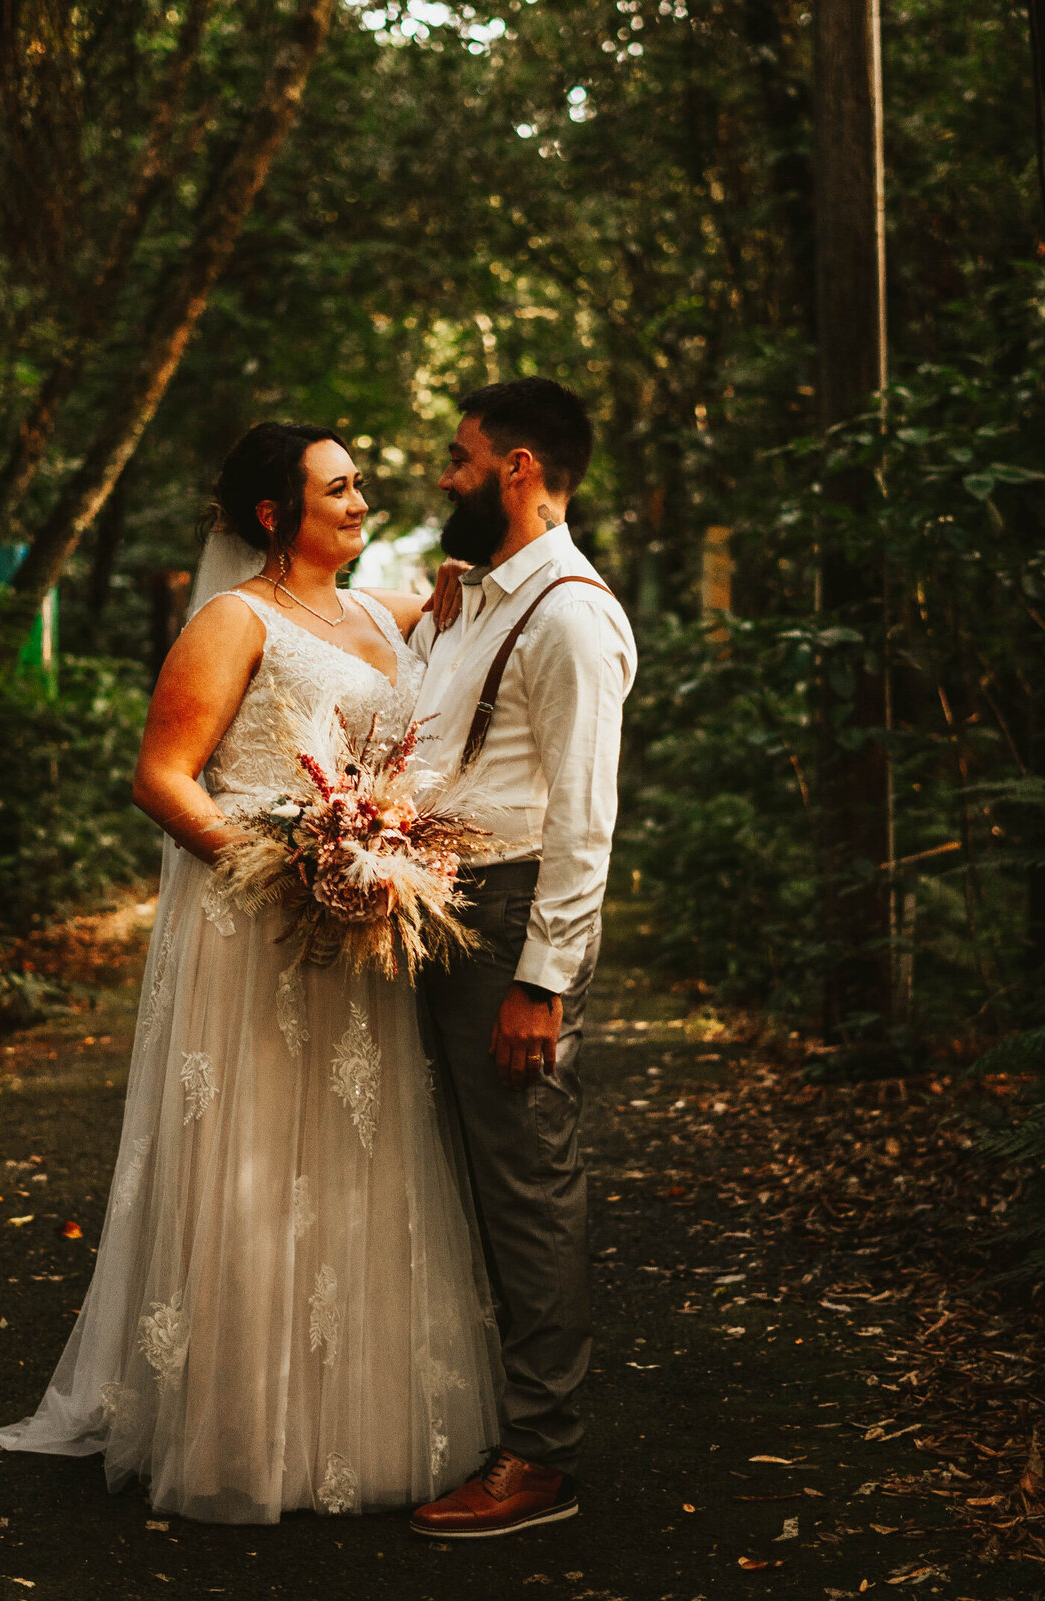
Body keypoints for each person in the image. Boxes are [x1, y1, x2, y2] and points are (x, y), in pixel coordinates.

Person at [0, 423, 503, 1524]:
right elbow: (163, 776)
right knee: (263, 1153)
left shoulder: (377, 613)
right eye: (340, 486)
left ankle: (350, 1416)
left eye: (362, 483)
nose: (363, 502)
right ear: (277, 512)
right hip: (262, 924)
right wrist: (288, 869)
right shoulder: (232, 620)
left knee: (360, 1151)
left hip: (362, 928)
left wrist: (381, 862)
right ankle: (238, 1430)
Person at [405, 378, 637, 1538]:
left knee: (528, 1179)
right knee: (469, 1172)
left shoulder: (571, 616)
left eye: (458, 458)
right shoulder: (484, 602)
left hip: (509, 922)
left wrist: (543, 980)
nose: (441, 476)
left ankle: (542, 1455)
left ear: (516, 466)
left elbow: (583, 821)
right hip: (447, 910)